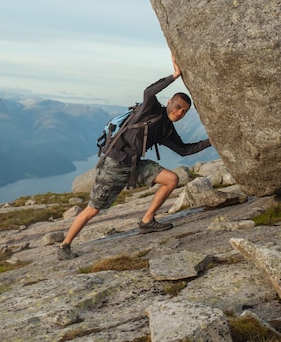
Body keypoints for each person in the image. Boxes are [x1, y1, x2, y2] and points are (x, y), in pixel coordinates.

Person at [58, 54, 212, 260]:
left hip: (133, 165)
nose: (180, 113)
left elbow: (184, 150)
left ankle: (147, 221)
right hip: (114, 164)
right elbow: (149, 91)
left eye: (184, 111)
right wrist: (174, 76)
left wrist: (213, 139)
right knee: (93, 210)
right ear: (170, 103)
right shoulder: (150, 109)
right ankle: (64, 246)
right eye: (178, 108)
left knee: (171, 179)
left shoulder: (167, 130)